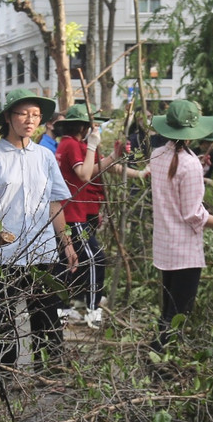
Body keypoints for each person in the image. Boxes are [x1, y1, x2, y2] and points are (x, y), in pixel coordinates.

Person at [0, 89, 77, 369]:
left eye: (36, 115)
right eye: (23, 113)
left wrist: (66, 243)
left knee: (46, 314)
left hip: (41, 251)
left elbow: (54, 203)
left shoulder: (44, 157)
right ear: (8, 117)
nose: (30, 120)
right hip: (2, 255)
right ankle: (4, 374)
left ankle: (50, 370)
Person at [147, 99, 213, 352]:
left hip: (164, 248)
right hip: (184, 252)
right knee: (178, 314)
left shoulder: (157, 154)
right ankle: (160, 359)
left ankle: (158, 356)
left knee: (168, 310)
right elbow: (193, 215)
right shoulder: (189, 164)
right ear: (192, 134)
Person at [54, 103, 149, 326]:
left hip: (75, 213)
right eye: (92, 125)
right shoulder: (73, 146)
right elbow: (85, 174)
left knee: (70, 261)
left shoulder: (73, 144)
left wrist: (116, 158)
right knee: (95, 259)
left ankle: (65, 309)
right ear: (84, 126)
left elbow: (98, 168)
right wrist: (92, 146)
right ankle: (92, 311)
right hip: (72, 215)